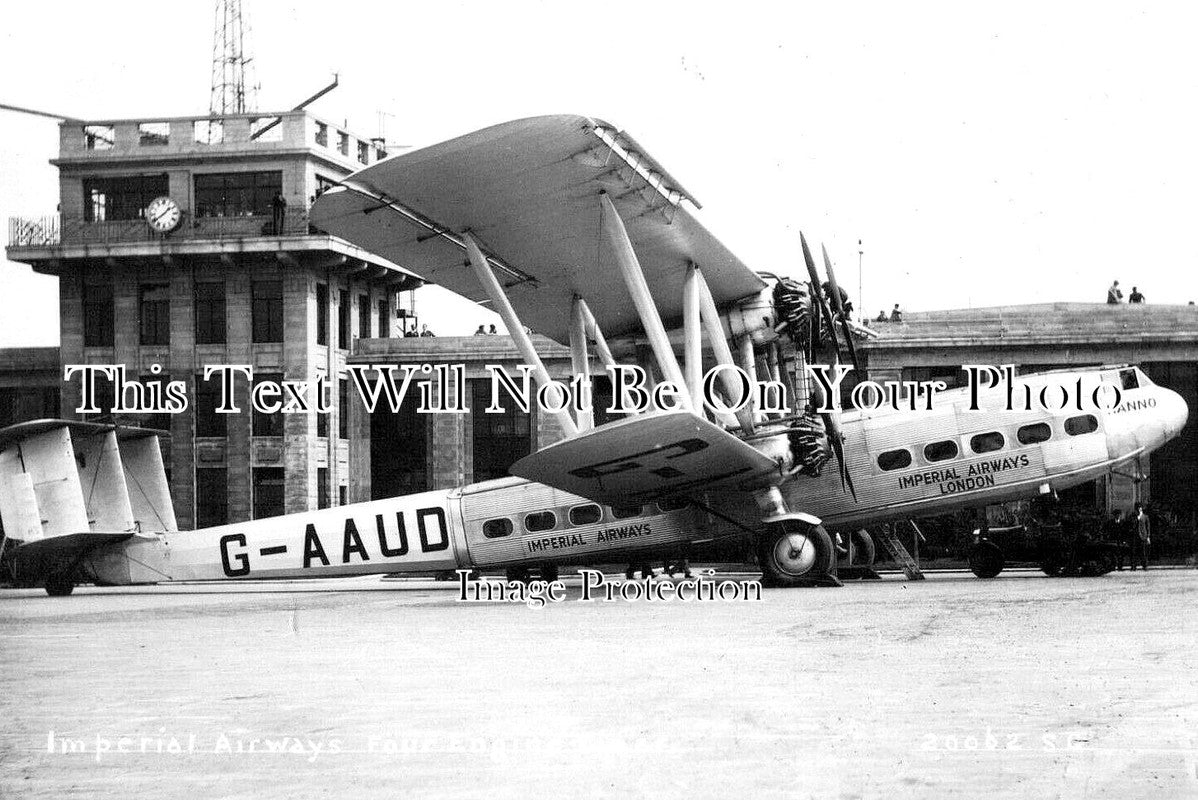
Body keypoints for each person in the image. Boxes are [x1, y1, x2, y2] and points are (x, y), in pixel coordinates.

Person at [1130, 503, 1151, 570]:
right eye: (1138, 508)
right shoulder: (1133, 516)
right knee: (1134, 552)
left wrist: (1148, 537)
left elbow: (1148, 527)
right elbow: (1132, 525)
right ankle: (1133, 566)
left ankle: (1145, 566)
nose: (1139, 509)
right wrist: (1137, 518)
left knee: (1143, 552)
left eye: (1140, 507)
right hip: (1135, 537)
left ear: (1142, 508)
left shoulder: (1145, 517)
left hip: (1143, 536)